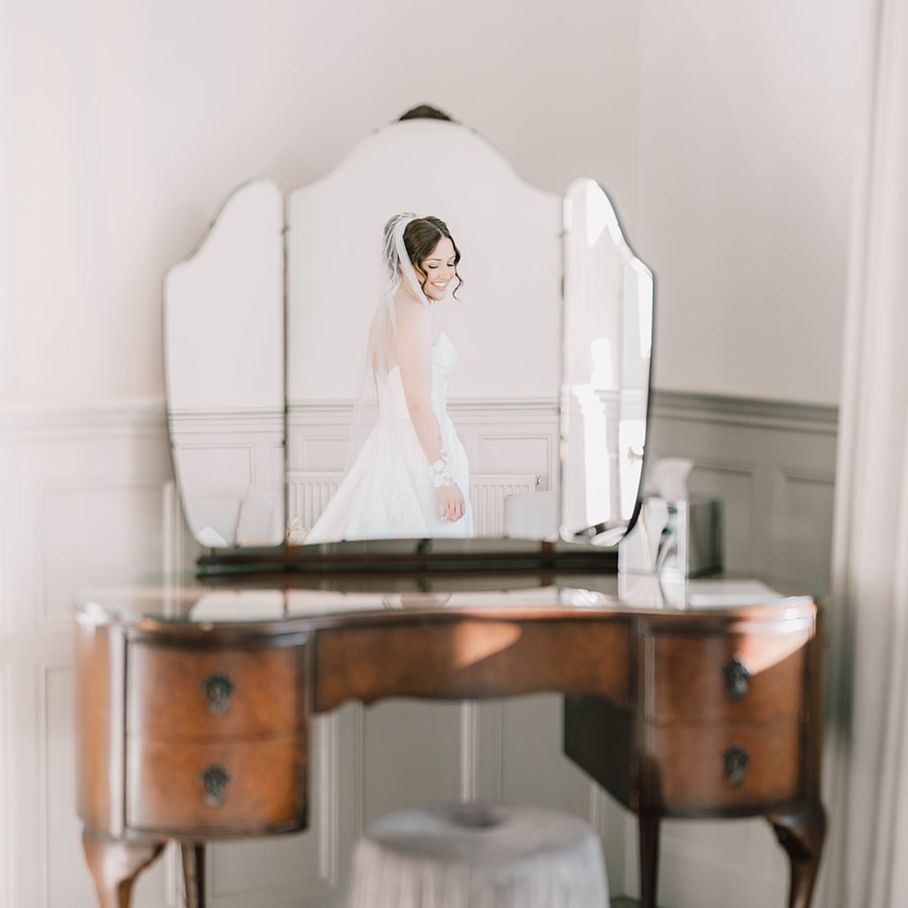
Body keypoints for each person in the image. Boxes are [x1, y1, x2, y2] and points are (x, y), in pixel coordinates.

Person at [304, 213, 474, 542]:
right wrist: (442, 477)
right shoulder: (414, 312)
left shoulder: (390, 309)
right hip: (419, 460)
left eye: (451, 262)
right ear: (404, 264)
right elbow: (417, 402)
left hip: (397, 447)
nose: (446, 274)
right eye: (434, 264)